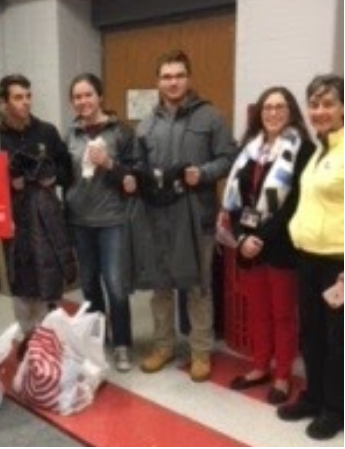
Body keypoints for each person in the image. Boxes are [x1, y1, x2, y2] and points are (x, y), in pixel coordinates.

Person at [135, 49, 235, 381]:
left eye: (178, 75)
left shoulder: (211, 117)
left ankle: (200, 351)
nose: (173, 82)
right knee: (160, 287)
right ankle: (163, 346)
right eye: (166, 76)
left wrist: (204, 173)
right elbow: (139, 167)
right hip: (158, 217)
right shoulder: (146, 124)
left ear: (188, 78)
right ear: (158, 82)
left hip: (197, 216)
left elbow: (228, 158)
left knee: (198, 286)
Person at [220, 86, 314, 404]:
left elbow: (296, 204)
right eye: (267, 107)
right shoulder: (250, 150)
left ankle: (283, 375)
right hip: (249, 243)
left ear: (290, 112)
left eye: (280, 107)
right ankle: (260, 366)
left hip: (281, 245)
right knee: (258, 310)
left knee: (283, 314)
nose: (273, 112)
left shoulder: (303, 149)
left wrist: (261, 236)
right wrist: (243, 236)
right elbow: (235, 200)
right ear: (260, 113)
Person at [277, 74, 344, 440]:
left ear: (343, 108)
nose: (320, 111)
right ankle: (314, 396)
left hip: (338, 262)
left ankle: (336, 409)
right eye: (314, 104)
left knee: (339, 341)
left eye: (328, 103)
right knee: (312, 333)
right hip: (308, 257)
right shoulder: (319, 148)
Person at [65, 73, 136, 372]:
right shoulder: (69, 134)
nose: (83, 101)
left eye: (88, 95)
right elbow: (64, 173)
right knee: (90, 285)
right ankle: (97, 341)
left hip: (111, 220)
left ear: (100, 97)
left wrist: (109, 164)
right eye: (77, 97)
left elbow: (134, 176)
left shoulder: (120, 132)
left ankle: (122, 344)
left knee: (116, 285)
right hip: (79, 220)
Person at [0, 74, 76, 334]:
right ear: (4, 102)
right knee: (20, 278)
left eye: (28, 96)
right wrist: (11, 182)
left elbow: (68, 171)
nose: (25, 102)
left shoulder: (47, 131)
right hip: (14, 217)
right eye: (18, 97)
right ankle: (27, 335)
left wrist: (53, 176)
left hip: (46, 216)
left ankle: (48, 336)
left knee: (49, 274)